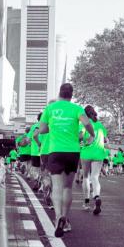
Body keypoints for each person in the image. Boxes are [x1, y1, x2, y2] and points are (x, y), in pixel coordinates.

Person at [36, 83, 95, 237]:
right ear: (71, 95)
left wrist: (54, 128)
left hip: (55, 151)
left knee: (57, 187)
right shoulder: (76, 109)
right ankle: (66, 218)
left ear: (59, 93)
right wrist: (92, 135)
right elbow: (87, 123)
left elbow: (42, 129)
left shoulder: (50, 109)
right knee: (67, 188)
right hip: (72, 152)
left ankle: (58, 218)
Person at [78, 105, 106, 215]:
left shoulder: (83, 123)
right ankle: (97, 196)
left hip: (86, 152)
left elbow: (80, 136)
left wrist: (80, 140)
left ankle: (86, 202)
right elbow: (105, 139)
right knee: (95, 177)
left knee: (85, 177)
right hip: (99, 152)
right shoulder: (100, 125)